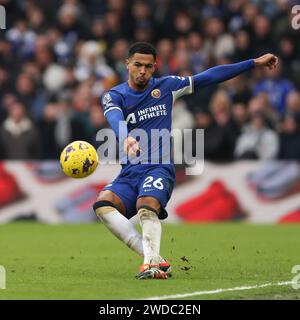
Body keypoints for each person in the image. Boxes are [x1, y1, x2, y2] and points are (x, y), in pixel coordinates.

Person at [93, 42, 278, 280]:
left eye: (148, 67)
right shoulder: (114, 94)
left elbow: (210, 76)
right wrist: (125, 136)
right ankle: (155, 259)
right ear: (126, 64)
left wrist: (252, 63)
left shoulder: (167, 87)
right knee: (103, 205)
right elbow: (114, 115)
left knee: (146, 206)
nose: (142, 71)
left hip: (159, 167)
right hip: (130, 172)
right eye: (137, 64)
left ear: (154, 67)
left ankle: (151, 266)